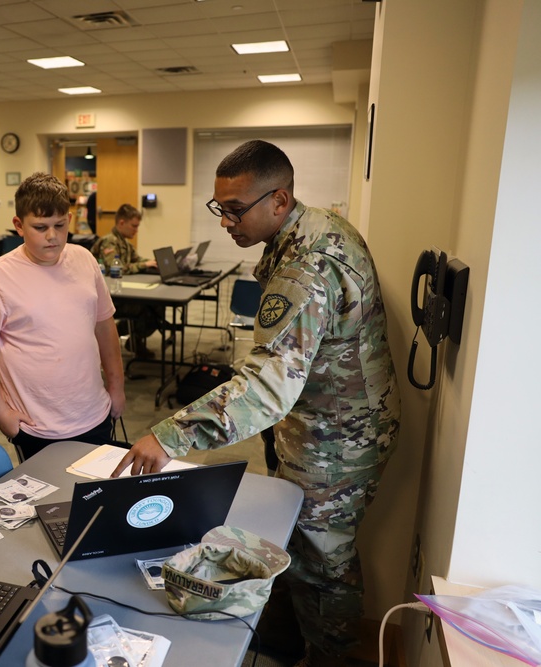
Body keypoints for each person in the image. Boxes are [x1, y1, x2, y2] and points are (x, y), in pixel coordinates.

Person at [113, 140, 401, 667]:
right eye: (219, 207)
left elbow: (269, 385)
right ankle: (284, 644)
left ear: (279, 199)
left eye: (234, 208)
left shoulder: (307, 264)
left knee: (323, 561)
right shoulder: (300, 233)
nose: (225, 220)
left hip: (337, 438)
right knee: (297, 542)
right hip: (321, 423)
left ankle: (331, 657)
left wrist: (170, 435)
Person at [0, 172, 126, 461]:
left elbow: (104, 325)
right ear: (18, 226)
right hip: (37, 426)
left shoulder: (84, 259)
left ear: (69, 220)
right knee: (49, 504)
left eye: (59, 225)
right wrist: (3, 417)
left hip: (94, 413)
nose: (52, 236)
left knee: (94, 497)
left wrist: (117, 387)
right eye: (40, 227)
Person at [90, 204, 161, 359]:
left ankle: (132, 338)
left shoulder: (124, 242)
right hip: (110, 296)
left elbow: (136, 259)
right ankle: (127, 337)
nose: (136, 230)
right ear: (121, 223)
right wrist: (144, 265)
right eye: (134, 226)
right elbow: (115, 269)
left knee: (157, 305)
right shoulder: (109, 242)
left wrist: (152, 262)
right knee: (149, 307)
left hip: (120, 291)